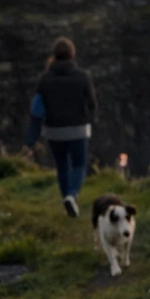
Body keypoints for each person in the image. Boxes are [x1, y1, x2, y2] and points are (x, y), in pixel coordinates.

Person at [36, 37, 97, 218]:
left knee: (62, 166)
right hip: (78, 129)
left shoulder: (44, 78)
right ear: (72, 54)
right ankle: (72, 195)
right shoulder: (83, 76)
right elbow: (92, 102)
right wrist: (91, 118)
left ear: (54, 54)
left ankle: (67, 202)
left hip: (54, 131)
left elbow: (39, 105)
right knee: (79, 164)